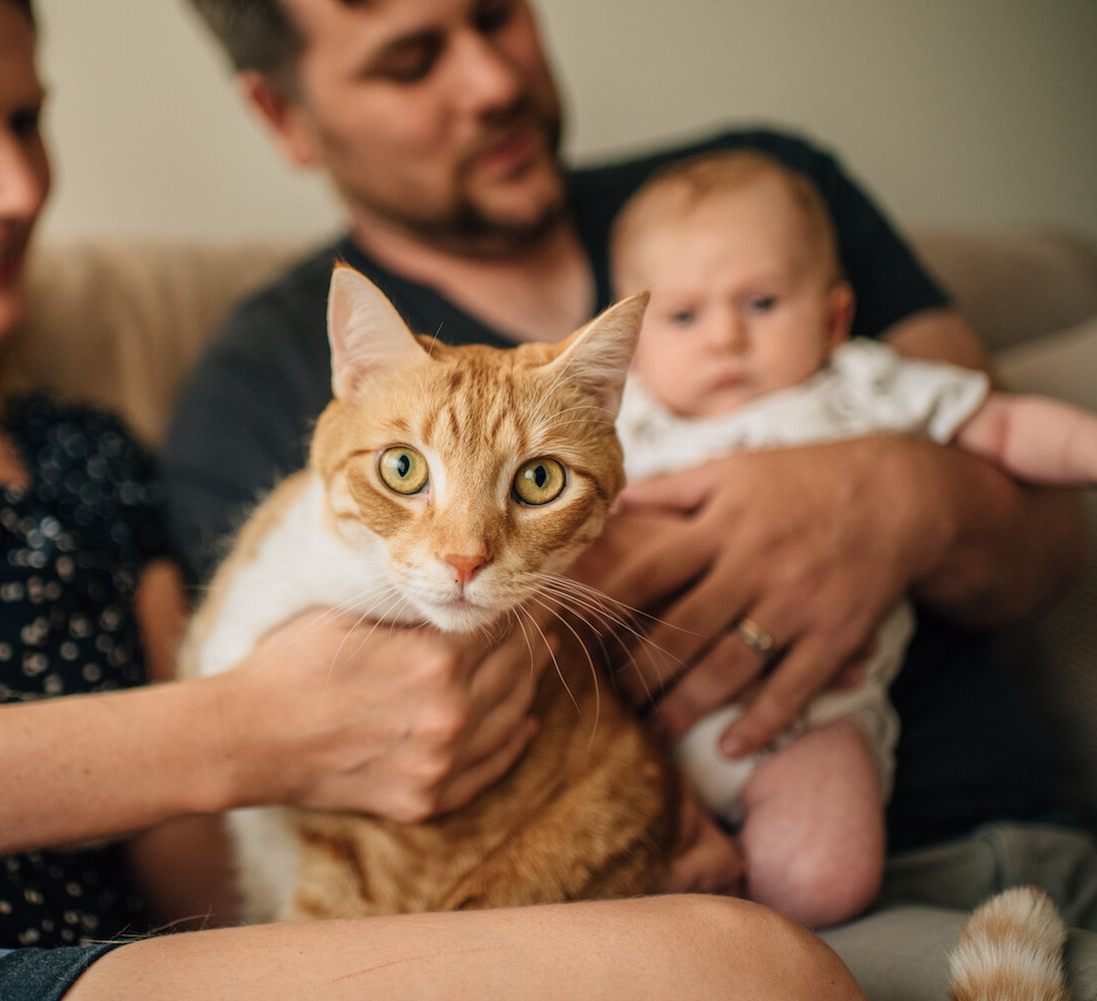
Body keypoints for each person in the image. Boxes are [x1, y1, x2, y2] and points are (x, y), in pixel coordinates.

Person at [0, 1, 867, 999]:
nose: (22, 188)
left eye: (29, 122)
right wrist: (244, 729)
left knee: (728, 958)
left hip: (91, 956)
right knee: (748, 972)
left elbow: (202, 864)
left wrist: (566, 833)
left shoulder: (84, 452)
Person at [168, 0, 1097, 987]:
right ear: (283, 114)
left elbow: (1045, 529)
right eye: (411, 61)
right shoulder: (251, 387)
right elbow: (287, 776)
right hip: (678, 908)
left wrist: (896, 491)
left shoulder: (760, 200)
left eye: (496, 17)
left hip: (1000, 840)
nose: (491, 81)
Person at [606, 148, 1097, 930]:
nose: (725, 338)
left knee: (822, 879)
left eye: (762, 303)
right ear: (631, 339)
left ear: (833, 317)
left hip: (811, 716)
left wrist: (1084, 446)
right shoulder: (628, 418)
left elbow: (1000, 425)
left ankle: (749, 934)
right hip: (632, 731)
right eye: (685, 315)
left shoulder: (860, 386)